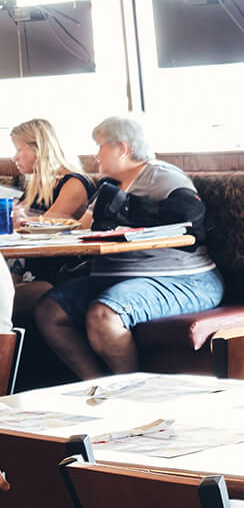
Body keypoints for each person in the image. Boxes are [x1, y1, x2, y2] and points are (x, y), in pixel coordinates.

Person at [35, 116, 224, 378]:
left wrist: (134, 213)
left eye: (100, 146)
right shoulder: (109, 187)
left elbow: (191, 214)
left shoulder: (161, 175)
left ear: (123, 148)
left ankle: (131, 393)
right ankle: (99, 386)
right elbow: (81, 229)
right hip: (117, 279)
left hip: (184, 280)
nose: (96, 155)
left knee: (103, 315)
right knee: (49, 311)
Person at [7, 119, 94, 324]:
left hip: (54, 279)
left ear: (41, 149)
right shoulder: (35, 186)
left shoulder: (73, 183)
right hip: (26, 274)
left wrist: (17, 222)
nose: (15, 157)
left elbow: (44, 232)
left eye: (19, 149)